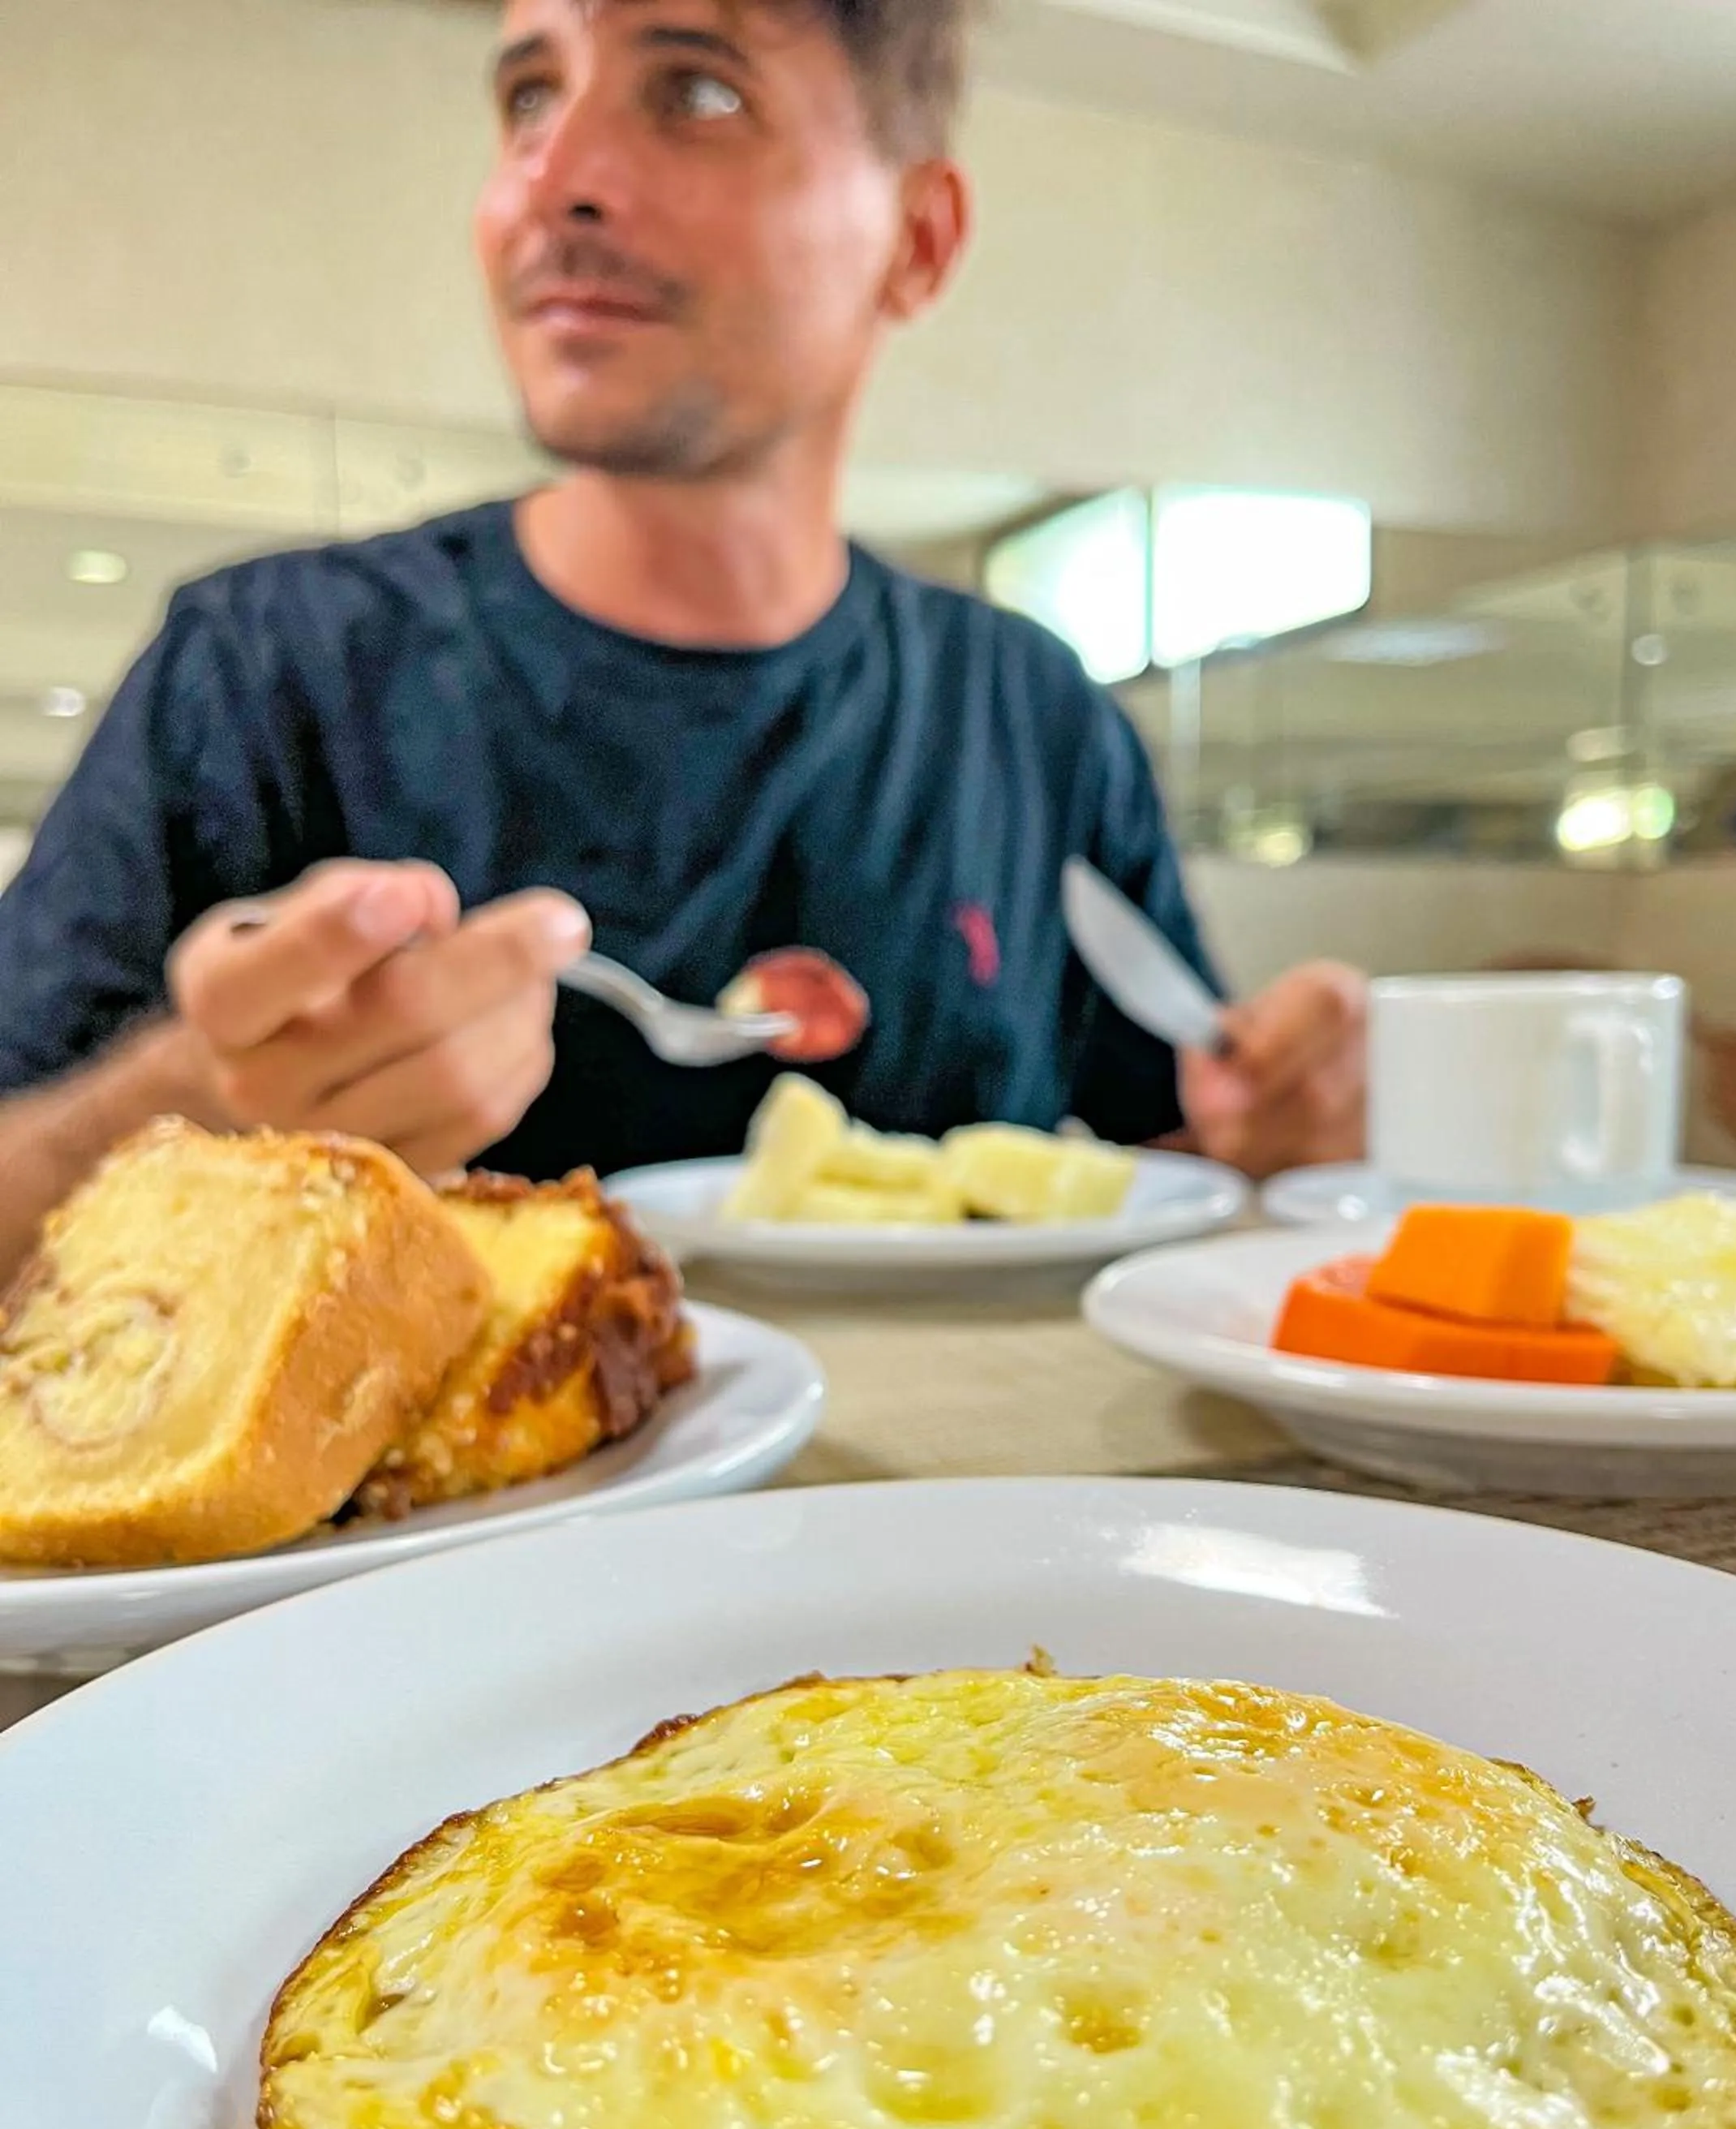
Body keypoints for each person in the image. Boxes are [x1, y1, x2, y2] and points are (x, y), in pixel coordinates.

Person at [0, 0, 1365, 1283]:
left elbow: (1176, 1162)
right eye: (530, 94)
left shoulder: (1032, 716)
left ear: (915, 239)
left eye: (696, 90)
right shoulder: (265, 666)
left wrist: (1288, 1125)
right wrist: (200, 1102)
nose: (554, 178)